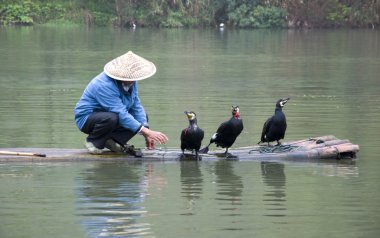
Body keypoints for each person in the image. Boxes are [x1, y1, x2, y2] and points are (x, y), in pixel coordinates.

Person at [74, 51, 169, 155]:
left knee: (142, 118)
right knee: (112, 117)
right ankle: (93, 141)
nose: (134, 80)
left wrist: (145, 129)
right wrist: (148, 132)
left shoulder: (132, 81)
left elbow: (136, 105)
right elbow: (120, 113)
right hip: (88, 118)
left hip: (113, 116)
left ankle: (112, 141)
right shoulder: (104, 84)